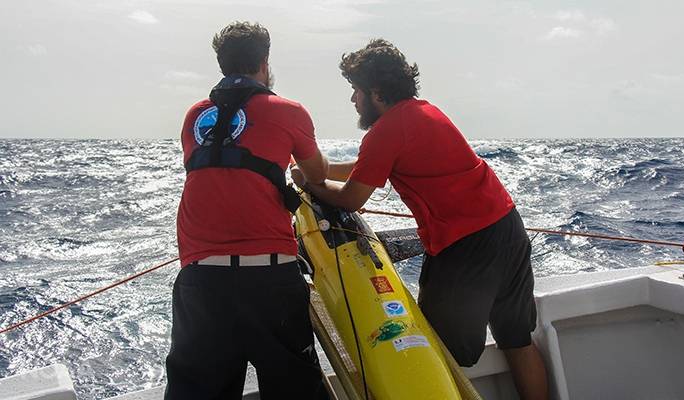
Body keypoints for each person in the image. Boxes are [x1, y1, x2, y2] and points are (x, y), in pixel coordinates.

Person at [292, 39, 548, 399]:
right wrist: (316, 170)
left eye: (356, 91)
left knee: (431, 350)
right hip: (508, 228)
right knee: (517, 341)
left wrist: (310, 184)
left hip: (467, 247)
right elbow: (367, 166)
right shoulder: (425, 113)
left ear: (376, 92)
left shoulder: (388, 129)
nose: (353, 100)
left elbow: (352, 195)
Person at [165, 21, 329, 399]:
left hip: (201, 279)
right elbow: (316, 173)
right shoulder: (288, 111)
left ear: (222, 64)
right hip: (270, 278)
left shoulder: (194, 116)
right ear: (264, 61)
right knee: (294, 390)